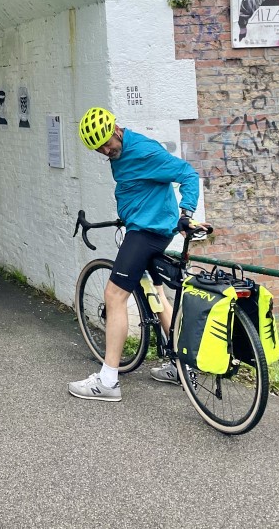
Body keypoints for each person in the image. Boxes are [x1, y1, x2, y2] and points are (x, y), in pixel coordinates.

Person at [68, 106, 201, 402]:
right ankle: (183, 366)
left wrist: (187, 212)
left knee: (114, 296)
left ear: (116, 129)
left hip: (147, 233)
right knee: (157, 294)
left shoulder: (143, 151)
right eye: (98, 148)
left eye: (106, 142)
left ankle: (108, 381)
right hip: (147, 226)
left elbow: (187, 174)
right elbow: (139, 186)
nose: (105, 150)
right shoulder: (120, 151)